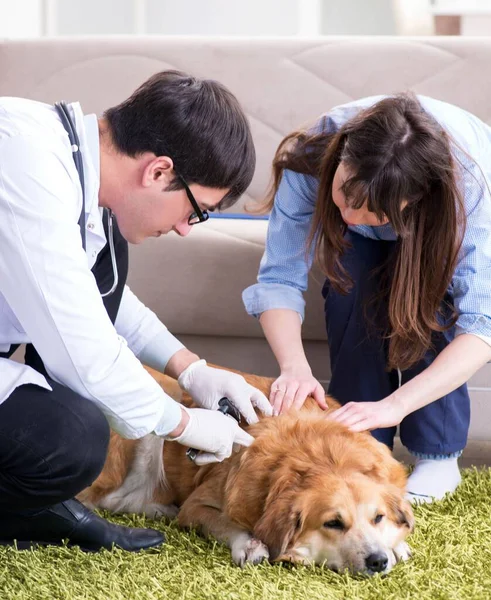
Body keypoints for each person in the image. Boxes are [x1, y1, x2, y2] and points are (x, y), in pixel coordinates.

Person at [0, 70, 272, 552]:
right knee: (68, 436)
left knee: (110, 256)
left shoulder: (74, 163)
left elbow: (92, 294)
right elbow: (81, 348)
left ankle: (34, 506)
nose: (189, 229)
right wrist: (184, 424)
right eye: (197, 212)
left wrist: (192, 370)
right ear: (159, 171)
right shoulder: (24, 162)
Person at [243, 92, 491, 503]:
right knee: (349, 284)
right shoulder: (315, 152)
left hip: (442, 223)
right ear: (340, 159)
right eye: (346, 196)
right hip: (375, 206)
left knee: (428, 299)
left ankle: (438, 454)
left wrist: (396, 404)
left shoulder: (470, 189)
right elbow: (279, 277)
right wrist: (294, 368)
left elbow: (481, 326)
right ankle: (363, 440)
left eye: (373, 212)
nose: (352, 218)